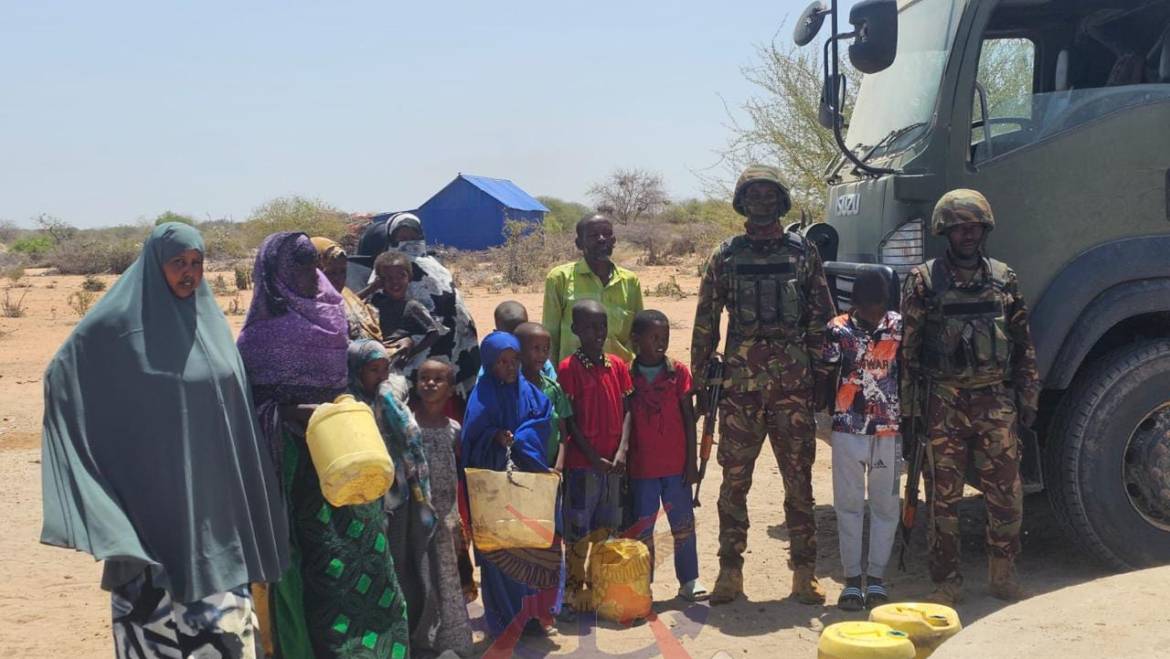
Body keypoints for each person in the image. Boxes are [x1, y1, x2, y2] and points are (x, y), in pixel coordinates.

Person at [40, 223, 287, 659]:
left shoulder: (211, 326)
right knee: (154, 635)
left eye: (197, 263)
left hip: (213, 513)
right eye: (178, 263)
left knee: (224, 634)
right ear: (155, 265)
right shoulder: (117, 326)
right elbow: (64, 370)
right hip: (150, 507)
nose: (189, 273)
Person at [237, 232, 409, 659]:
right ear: (272, 273)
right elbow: (249, 404)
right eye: (295, 267)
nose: (305, 275)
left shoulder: (332, 312)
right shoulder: (257, 335)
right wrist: (290, 412)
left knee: (363, 554)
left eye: (308, 265)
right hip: (289, 461)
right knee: (306, 560)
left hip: (342, 451)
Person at [690, 164, 835, 606]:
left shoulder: (803, 252)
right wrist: (701, 379)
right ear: (742, 202)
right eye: (753, 194)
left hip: (793, 388)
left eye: (769, 194)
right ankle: (729, 572)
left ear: (781, 200)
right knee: (734, 483)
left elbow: (821, 318)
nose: (762, 201)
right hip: (740, 390)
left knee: (799, 483)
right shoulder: (725, 256)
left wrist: (824, 376)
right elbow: (706, 320)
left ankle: (804, 573)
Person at [900, 189, 1040, 605]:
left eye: (974, 227)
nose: (967, 234)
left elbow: (1022, 342)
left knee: (1007, 495)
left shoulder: (1003, 277)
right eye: (959, 228)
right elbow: (908, 353)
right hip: (943, 401)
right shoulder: (923, 280)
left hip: (995, 401)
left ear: (984, 229)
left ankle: (1003, 576)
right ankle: (946, 582)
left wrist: (1028, 394)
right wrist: (909, 413)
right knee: (943, 501)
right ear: (945, 231)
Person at [461, 332, 563, 637]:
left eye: (514, 360)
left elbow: (542, 419)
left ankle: (534, 617)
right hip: (495, 489)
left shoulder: (529, 392)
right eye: (501, 362)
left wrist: (520, 439)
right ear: (489, 363)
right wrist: (493, 436)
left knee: (530, 548)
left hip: (526, 484)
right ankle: (505, 620)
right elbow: (471, 439)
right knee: (501, 552)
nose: (509, 367)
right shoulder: (482, 397)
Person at [347, 340, 444, 652]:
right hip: (362, 500)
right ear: (356, 371)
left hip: (398, 496)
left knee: (403, 565)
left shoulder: (388, 397)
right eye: (373, 370)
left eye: (384, 369)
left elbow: (409, 438)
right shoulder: (348, 404)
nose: (381, 376)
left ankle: (408, 636)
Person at [820, 271, 903, 611]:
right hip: (847, 429)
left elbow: (908, 370)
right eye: (867, 307)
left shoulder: (898, 326)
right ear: (855, 304)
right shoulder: (837, 329)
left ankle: (877, 578)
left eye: (879, 307)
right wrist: (828, 413)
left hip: (888, 430)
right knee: (848, 505)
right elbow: (827, 373)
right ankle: (852, 580)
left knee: (886, 506)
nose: (874, 314)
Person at [557, 300, 634, 611]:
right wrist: (591, 456)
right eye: (589, 327)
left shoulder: (617, 366)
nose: (598, 333)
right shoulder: (568, 368)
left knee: (608, 527)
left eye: (602, 326)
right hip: (583, 465)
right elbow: (569, 419)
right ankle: (573, 591)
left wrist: (623, 449)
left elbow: (627, 410)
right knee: (579, 529)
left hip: (613, 464)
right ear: (575, 329)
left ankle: (599, 586)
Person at [627, 310, 708, 602]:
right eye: (654, 338)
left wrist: (692, 463)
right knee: (643, 529)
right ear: (635, 340)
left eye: (665, 337)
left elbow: (688, 419)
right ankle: (643, 584)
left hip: (676, 467)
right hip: (641, 469)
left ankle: (689, 579)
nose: (660, 343)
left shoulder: (678, 373)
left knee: (682, 524)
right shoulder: (627, 375)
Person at [379, 212, 482, 403]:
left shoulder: (436, 267)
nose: (409, 243)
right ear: (391, 239)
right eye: (402, 237)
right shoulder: (388, 268)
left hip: (451, 346)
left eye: (413, 236)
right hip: (410, 353)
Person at [412, 359, 475, 656]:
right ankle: (419, 642)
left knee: (448, 578)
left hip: (446, 517)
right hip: (414, 515)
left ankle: (452, 641)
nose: (430, 383)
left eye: (438, 379)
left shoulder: (454, 429)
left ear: (450, 390)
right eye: (424, 378)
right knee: (417, 576)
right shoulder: (408, 425)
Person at [543, 212, 644, 365]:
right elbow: (550, 336)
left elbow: (639, 335)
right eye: (593, 235)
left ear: (614, 240)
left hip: (619, 375)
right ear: (579, 243)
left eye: (607, 234)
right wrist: (554, 377)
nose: (602, 239)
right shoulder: (560, 278)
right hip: (574, 374)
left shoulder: (630, 281)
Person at [368, 251, 443, 368]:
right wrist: (371, 288)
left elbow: (434, 333)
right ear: (380, 281)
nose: (395, 281)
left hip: (394, 361)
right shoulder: (376, 302)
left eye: (401, 276)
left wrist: (411, 353)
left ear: (409, 278)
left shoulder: (412, 306)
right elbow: (348, 305)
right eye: (388, 278)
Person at [515, 322, 571, 471]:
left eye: (546, 349)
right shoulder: (511, 389)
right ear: (519, 351)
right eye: (536, 348)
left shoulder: (553, 389)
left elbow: (563, 431)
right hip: (519, 469)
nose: (542, 355)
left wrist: (559, 465)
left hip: (550, 468)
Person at [310, 236, 383, 341]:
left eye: (343, 271)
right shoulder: (312, 305)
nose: (338, 278)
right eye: (331, 273)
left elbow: (354, 302)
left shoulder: (345, 293)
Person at [478, 301, 558, 382]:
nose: (516, 344)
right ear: (496, 333)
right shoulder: (492, 364)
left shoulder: (541, 362)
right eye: (510, 338)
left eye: (522, 337)